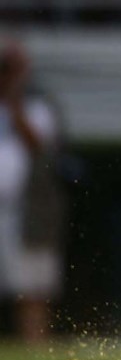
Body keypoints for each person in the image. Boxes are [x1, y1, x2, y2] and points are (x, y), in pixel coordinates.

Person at [0, 42, 63, 342]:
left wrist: (14, 102)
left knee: (31, 287)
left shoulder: (36, 106)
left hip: (26, 209)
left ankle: (34, 343)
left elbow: (38, 146)